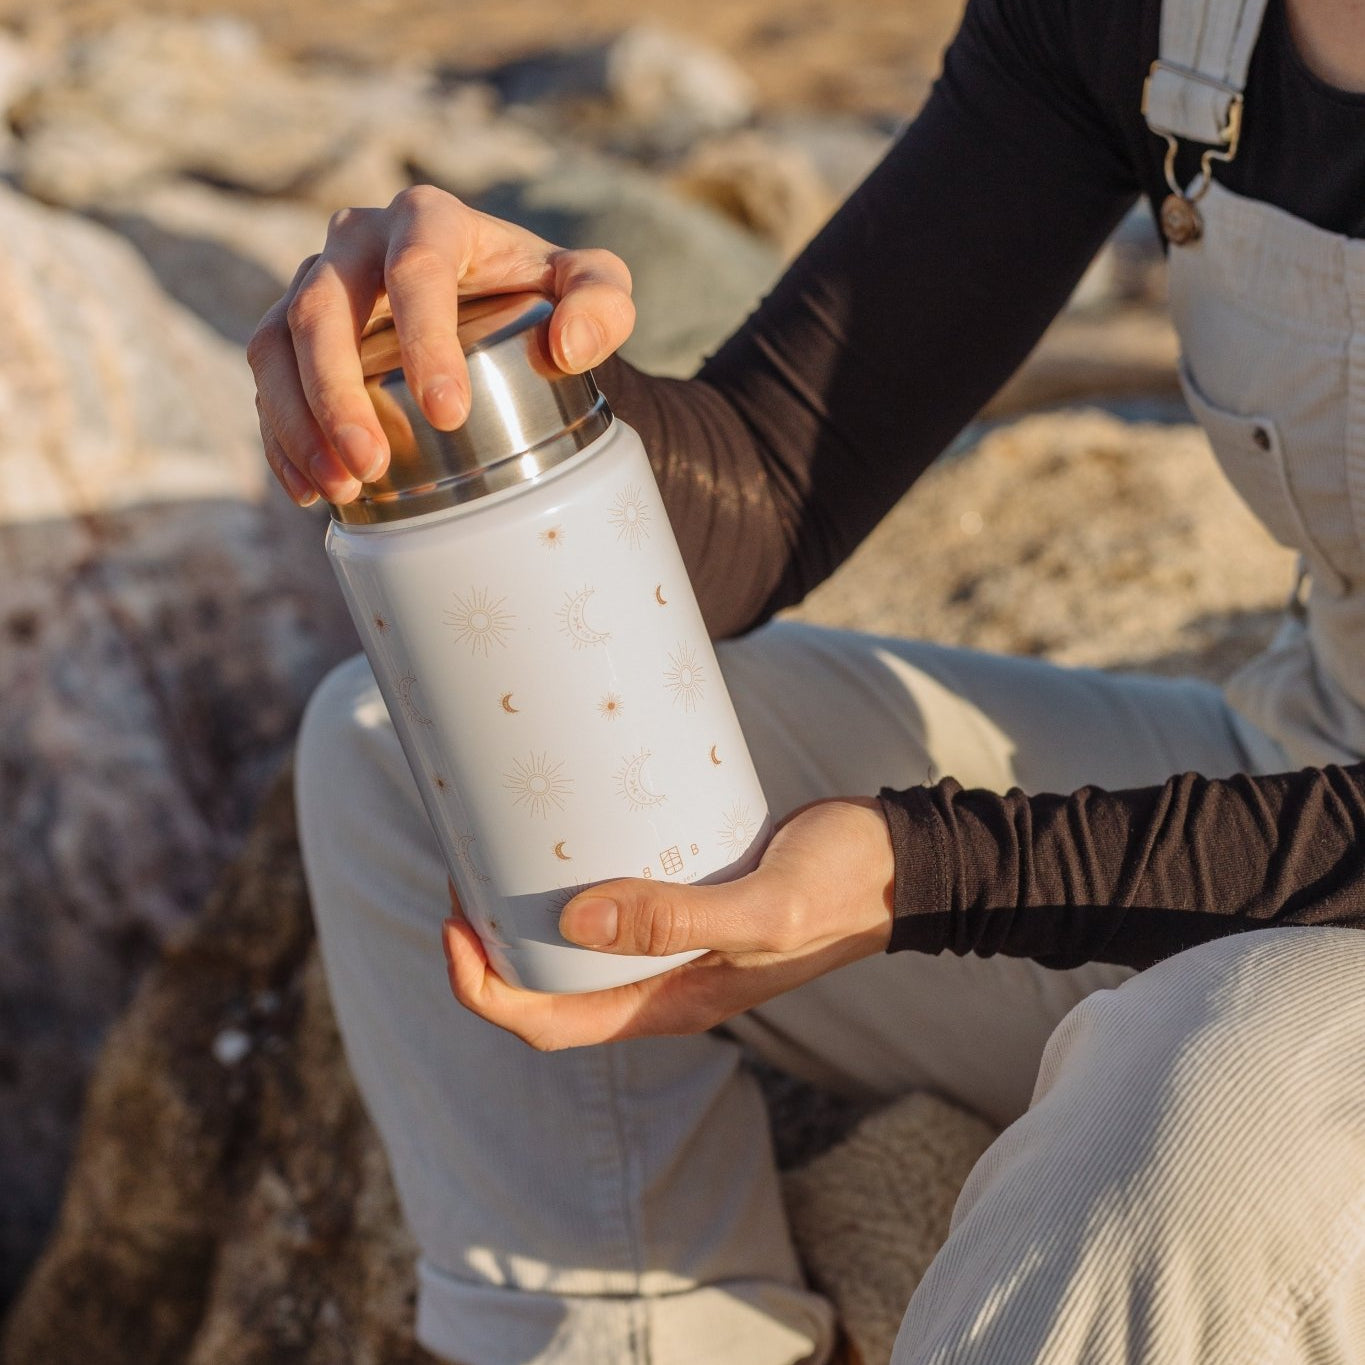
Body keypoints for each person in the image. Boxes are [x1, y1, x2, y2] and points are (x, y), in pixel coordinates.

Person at [249, 0, 1365, 1357]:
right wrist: (496, 375)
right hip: (1299, 759)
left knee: (1204, 1121)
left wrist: (922, 874)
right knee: (410, 759)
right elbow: (770, 484)